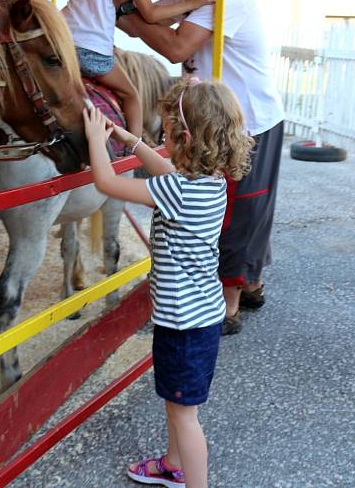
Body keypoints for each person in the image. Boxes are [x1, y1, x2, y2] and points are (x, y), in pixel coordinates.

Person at [105, 0, 285, 335]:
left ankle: (230, 306)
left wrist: (122, 10)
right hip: (217, 117)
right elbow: (154, 20)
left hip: (248, 120)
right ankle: (252, 280)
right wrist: (129, 8)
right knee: (236, 206)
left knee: (242, 209)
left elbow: (174, 46)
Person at [83, 79, 253, 488]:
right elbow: (165, 169)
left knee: (185, 415)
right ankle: (173, 465)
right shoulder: (208, 181)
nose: (162, 139)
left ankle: (192, 479)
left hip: (183, 326)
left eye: (165, 133)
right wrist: (134, 141)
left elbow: (107, 183)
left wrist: (95, 139)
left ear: (185, 138)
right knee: (176, 402)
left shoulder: (177, 190)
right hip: (200, 318)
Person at [61, 0, 214, 141]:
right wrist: (194, 3)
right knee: (131, 94)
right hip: (92, 50)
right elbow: (150, 13)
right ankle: (132, 151)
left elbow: (133, 25)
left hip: (62, 41)